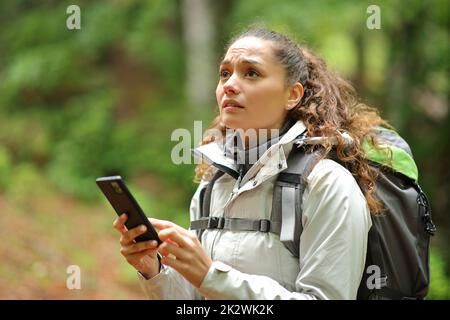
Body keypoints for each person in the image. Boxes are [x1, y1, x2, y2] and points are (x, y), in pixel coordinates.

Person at [113, 27, 390, 300]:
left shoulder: (326, 184)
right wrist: (155, 271)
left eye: (251, 73)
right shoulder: (214, 183)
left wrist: (212, 277)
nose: (230, 85)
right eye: (224, 73)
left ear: (292, 95)